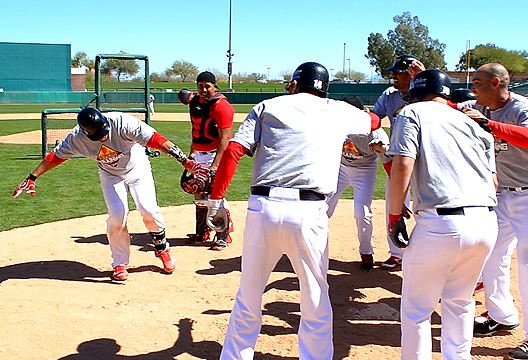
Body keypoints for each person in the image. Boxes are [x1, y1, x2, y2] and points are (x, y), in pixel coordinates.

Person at [201, 62, 381, 360]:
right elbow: (373, 121)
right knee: (314, 298)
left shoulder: (267, 106)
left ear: (296, 84)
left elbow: (234, 151)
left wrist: (216, 200)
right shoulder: (338, 109)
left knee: (249, 295)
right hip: (309, 213)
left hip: (264, 209)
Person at [12, 107, 204, 281]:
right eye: (98, 136)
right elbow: (56, 156)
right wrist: (32, 177)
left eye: (104, 133)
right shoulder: (76, 138)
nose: (103, 137)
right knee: (117, 215)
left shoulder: (122, 122)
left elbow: (156, 139)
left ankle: (162, 250)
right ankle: (119, 262)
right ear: (87, 133)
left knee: (149, 211)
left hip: (138, 168)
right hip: (110, 174)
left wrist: (184, 161)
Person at [387, 69, 498, 359]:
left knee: (417, 308)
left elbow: (401, 165)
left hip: (442, 223)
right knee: (460, 302)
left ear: (415, 92)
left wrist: (394, 216)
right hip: (485, 220)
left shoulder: (412, 112)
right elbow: (494, 181)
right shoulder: (473, 124)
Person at [459, 63, 528, 359]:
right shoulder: (480, 105)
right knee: (491, 254)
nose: (472, 88)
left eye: (477, 82)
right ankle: (501, 315)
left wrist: (489, 125)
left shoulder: (521, 108)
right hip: (506, 194)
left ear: (495, 84)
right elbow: (450, 104)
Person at [372, 55, 425, 270]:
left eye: (398, 72)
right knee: (392, 203)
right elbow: (375, 117)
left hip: (425, 160)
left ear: (412, 75)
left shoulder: (425, 95)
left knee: (424, 207)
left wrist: (422, 79)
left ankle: (425, 254)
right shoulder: (390, 95)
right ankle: (397, 253)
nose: (393, 75)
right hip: (399, 157)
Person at [327, 95, 390, 272]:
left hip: (364, 172)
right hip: (340, 169)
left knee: (362, 213)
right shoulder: (334, 125)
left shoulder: (374, 131)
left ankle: (366, 252)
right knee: (322, 210)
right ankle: (312, 249)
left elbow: (389, 160)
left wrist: (384, 149)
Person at [177, 71, 234, 250]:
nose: (203, 90)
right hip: (200, 154)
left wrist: (215, 165)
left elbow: (225, 139)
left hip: (216, 154)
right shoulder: (195, 103)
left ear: (215, 86)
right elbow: (196, 131)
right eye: (200, 86)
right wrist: (192, 154)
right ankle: (202, 231)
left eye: (207, 86)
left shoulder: (221, 106)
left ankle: (223, 234)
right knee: (198, 192)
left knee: (215, 195)